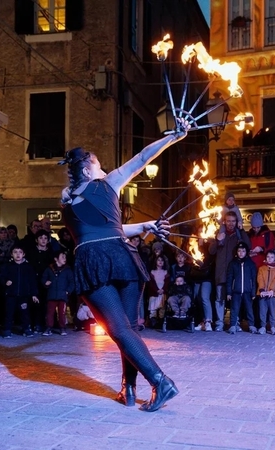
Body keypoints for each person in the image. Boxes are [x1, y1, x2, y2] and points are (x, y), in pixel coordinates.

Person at [59, 119, 189, 412]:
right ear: (88, 168)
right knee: (126, 330)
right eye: (99, 164)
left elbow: (100, 231)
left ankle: (160, 381)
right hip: (123, 259)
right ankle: (128, 389)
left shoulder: (67, 200)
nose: (105, 168)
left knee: (120, 330)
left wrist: (174, 137)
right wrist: (173, 137)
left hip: (95, 261)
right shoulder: (106, 185)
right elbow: (142, 158)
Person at [209, 211, 250, 332]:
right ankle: (220, 323)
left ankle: (234, 322)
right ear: (224, 221)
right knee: (220, 299)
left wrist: (242, 230)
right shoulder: (219, 233)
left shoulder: (238, 235)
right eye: (228, 221)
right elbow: (211, 251)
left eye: (233, 221)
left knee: (235, 299)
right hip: (221, 273)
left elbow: (248, 246)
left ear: (236, 222)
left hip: (235, 274)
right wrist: (217, 240)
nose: (231, 223)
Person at [0, 245, 39, 338]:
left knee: (24, 313)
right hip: (11, 294)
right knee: (9, 312)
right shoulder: (8, 266)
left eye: (20, 252)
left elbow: (32, 281)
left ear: (24, 254)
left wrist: (34, 294)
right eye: (15, 252)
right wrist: (6, 282)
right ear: (11, 254)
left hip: (24, 295)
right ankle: (7, 329)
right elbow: (1, 277)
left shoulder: (28, 267)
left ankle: (26, 328)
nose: (18, 254)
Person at [225, 242, 257, 334]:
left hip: (248, 291)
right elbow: (229, 278)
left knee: (249, 309)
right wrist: (229, 292)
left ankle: (251, 325)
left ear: (246, 252)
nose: (241, 253)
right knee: (234, 309)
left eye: (243, 251)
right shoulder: (233, 263)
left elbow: (254, 279)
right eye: (239, 251)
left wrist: (253, 292)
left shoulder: (250, 263)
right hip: (236, 291)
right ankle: (233, 325)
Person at [42, 250, 75, 336]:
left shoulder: (67, 270)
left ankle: (62, 328)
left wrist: (68, 291)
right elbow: (43, 278)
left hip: (62, 295)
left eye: (65, 257)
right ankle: (49, 327)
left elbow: (72, 282)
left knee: (62, 313)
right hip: (51, 294)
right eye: (62, 257)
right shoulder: (49, 269)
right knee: (50, 312)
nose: (64, 259)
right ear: (56, 259)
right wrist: (45, 283)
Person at [256, 249, 275, 335]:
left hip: (272, 294)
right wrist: (262, 289)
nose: (270, 259)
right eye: (268, 257)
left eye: (272, 257)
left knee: (272, 310)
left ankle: (273, 326)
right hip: (262, 293)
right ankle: (263, 326)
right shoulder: (261, 268)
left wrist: (271, 290)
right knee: (262, 310)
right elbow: (260, 278)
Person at [147, 255, 170, 327]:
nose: (160, 262)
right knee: (153, 307)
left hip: (162, 292)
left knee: (161, 307)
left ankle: (161, 322)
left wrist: (163, 289)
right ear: (156, 261)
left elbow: (167, 282)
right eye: (158, 260)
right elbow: (151, 283)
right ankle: (152, 321)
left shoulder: (165, 272)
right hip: (154, 293)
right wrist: (157, 290)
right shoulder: (152, 272)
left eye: (162, 260)